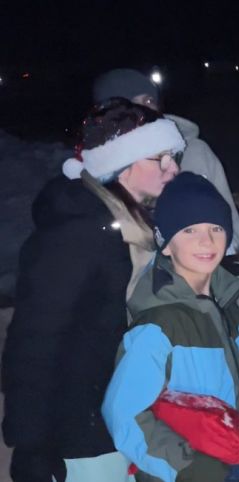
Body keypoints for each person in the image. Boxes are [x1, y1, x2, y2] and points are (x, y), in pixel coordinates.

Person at [1, 98, 184, 481]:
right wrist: (31, 444)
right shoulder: (80, 231)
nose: (174, 169)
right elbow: (34, 339)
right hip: (83, 428)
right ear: (121, 165)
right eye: (160, 159)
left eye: (174, 157)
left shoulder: (135, 225)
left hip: (123, 413)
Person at [101, 172, 239, 481]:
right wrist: (194, 470)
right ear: (165, 244)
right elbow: (123, 415)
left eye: (216, 228)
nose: (206, 240)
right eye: (189, 229)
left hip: (237, 463)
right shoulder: (158, 328)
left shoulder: (228, 309)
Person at [92, 68, 239, 254]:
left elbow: (231, 232)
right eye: (129, 104)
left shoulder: (195, 153)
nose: (143, 110)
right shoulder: (96, 176)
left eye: (148, 101)